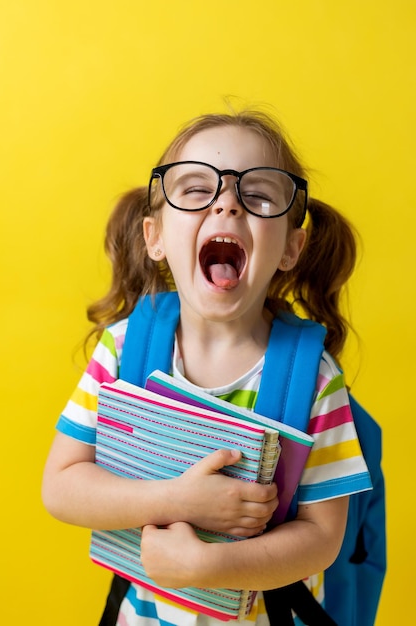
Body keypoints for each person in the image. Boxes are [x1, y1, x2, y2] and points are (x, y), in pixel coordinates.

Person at [42, 110, 372, 626]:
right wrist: (178, 500)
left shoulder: (316, 381)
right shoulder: (123, 347)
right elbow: (60, 487)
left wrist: (209, 563)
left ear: (290, 247)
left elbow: (321, 538)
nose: (227, 203)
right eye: (196, 190)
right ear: (155, 237)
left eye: (259, 195)